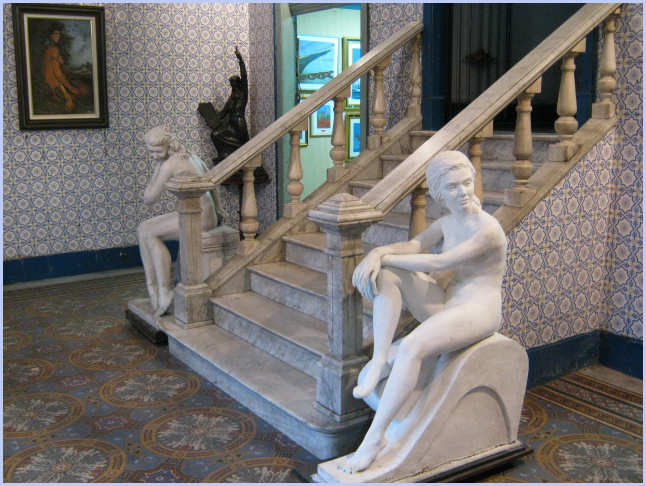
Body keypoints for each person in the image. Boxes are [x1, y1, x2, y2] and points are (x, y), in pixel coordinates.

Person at [343, 150, 507, 473]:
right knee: (387, 275)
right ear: (439, 194)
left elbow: (439, 262)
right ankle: (380, 359)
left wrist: (383, 256)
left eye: (466, 183)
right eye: (453, 187)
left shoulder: (488, 229)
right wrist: (379, 253)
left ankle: (374, 439)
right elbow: (416, 245)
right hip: (449, 302)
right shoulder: (447, 222)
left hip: (479, 309)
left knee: (412, 346)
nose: (463, 192)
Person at [138, 126, 224, 317]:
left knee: (148, 232)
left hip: (198, 217)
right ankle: (155, 289)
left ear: (168, 145)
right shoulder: (191, 156)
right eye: (150, 151)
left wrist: (157, 168)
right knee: (143, 228)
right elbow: (212, 184)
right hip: (203, 214)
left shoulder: (169, 165)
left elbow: (149, 198)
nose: (154, 156)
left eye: (157, 151)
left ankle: (163, 290)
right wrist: (218, 211)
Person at [198, 46, 249, 163]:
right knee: (215, 135)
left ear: (239, 84)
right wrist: (210, 116)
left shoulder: (243, 94)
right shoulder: (231, 99)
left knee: (245, 146)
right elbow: (222, 113)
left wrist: (240, 60)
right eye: (231, 85)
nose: (233, 87)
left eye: (234, 84)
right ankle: (223, 154)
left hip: (239, 123)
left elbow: (244, 76)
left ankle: (240, 159)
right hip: (230, 125)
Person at [42, 23, 79, 112]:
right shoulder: (52, 50)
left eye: (58, 34)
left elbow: (60, 62)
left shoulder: (53, 49)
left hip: (54, 78)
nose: (57, 36)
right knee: (69, 100)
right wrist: (69, 87)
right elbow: (55, 71)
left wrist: (60, 60)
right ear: (50, 35)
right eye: (55, 34)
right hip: (53, 80)